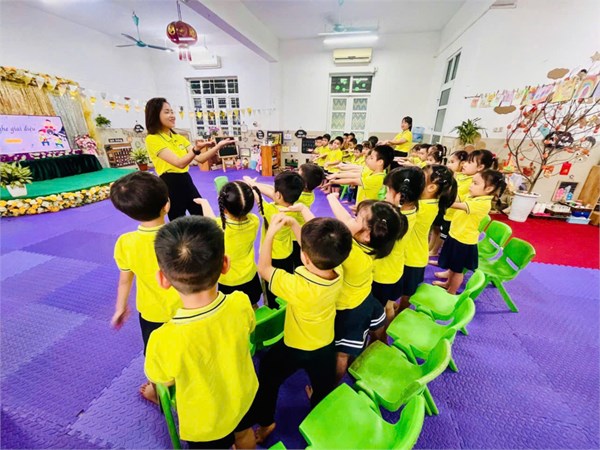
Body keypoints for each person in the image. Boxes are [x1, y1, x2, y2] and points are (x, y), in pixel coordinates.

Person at [145, 216, 258, 449]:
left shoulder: (162, 339)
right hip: (244, 395)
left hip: (205, 420)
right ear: (225, 265)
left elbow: (163, 380)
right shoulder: (241, 302)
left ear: (162, 279)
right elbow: (249, 329)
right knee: (245, 434)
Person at [249, 215, 352, 444]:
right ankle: (318, 414)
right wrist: (297, 226)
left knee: (267, 375)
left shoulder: (297, 286)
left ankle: (266, 423)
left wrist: (269, 234)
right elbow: (314, 255)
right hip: (325, 342)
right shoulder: (338, 269)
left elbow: (264, 268)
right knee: (323, 384)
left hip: (295, 346)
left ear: (304, 257)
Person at [288, 194, 404, 380]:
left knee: (341, 355)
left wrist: (301, 215)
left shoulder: (352, 254)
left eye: (357, 219)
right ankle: (379, 348)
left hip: (349, 310)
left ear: (367, 235)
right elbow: (343, 222)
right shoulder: (374, 245)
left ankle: (330, 388)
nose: (352, 220)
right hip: (365, 298)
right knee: (375, 332)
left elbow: (321, 239)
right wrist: (329, 199)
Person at [109, 172, 182, 404]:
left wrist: (120, 307)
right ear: (167, 204)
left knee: (154, 354)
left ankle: (157, 392)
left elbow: (125, 280)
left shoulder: (126, 243)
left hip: (152, 313)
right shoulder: (182, 234)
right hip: (188, 307)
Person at [144, 97, 235, 221]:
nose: (172, 116)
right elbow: (179, 163)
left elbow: (201, 158)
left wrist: (218, 146)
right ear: (155, 115)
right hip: (170, 182)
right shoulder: (152, 139)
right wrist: (196, 149)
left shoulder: (179, 137)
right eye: (167, 112)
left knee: (201, 214)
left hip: (186, 179)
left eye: (172, 112)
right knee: (178, 219)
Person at [194, 181, 265, 307]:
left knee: (231, 308)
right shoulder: (254, 221)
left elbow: (209, 219)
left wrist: (204, 203)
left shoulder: (219, 227)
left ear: (224, 209)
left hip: (228, 280)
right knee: (252, 304)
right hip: (250, 276)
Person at [434, 170, 506, 294]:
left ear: (488, 188)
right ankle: (447, 284)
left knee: (458, 271)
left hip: (464, 241)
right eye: (472, 182)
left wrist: (440, 199)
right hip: (455, 234)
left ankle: (452, 291)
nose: (471, 185)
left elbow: (458, 205)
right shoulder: (473, 196)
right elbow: (458, 199)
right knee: (453, 266)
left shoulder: (483, 203)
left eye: (475, 183)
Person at [399, 165, 457, 310]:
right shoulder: (428, 202)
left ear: (431, 187)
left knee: (406, 293)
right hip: (414, 255)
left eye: (420, 178)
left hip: (411, 259)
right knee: (405, 290)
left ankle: (400, 313)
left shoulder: (421, 206)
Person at [243, 171, 305, 308]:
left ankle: (273, 308)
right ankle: (285, 305)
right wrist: (254, 184)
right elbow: (270, 194)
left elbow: (258, 197)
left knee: (271, 287)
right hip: (287, 253)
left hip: (271, 257)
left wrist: (251, 184)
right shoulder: (296, 208)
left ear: (278, 195)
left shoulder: (271, 211)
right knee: (284, 283)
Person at [372, 166, 425, 326]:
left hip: (382, 274)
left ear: (400, 196)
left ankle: (380, 336)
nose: (385, 194)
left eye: (388, 190)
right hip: (394, 270)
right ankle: (386, 329)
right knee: (387, 305)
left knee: (379, 310)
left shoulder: (396, 221)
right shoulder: (410, 210)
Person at [434, 149, 498, 277]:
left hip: (464, 237)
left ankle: (452, 286)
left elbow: (458, 202)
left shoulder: (481, 201)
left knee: (458, 267)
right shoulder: (473, 193)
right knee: (452, 257)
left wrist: (440, 199)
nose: (464, 164)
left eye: (469, 162)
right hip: (457, 229)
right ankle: (448, 274)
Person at [429, 150, 469, 259]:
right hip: (447, 209)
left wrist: (445, 196)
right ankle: (431, 248)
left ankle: (435, 251)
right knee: (436, 229)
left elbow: (457, 197)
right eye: (448, 162)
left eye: (452, 162)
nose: (448, 165)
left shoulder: (466, 180)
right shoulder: (458, 176)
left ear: (462, 163)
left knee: (443, 234)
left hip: (453, 213)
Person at [326, 145, 395, 204]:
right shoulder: (372, 172)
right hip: (362, 204)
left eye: (371, 158)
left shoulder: (377, 178)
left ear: (380, 162)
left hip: (367, 208)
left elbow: (353, 180)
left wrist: (335, 180)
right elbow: (354, 172)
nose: (368, 159)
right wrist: (338, 173)